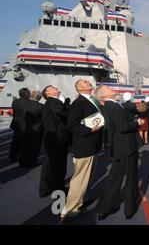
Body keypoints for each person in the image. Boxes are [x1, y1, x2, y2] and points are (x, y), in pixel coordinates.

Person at [95, 85, 144, 220]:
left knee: (114, 179)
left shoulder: (109, 106)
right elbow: (123, 127)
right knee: (131, 178)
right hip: (127, 147)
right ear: (104, 96)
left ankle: (106, 208)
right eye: (106, 88)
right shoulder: (114, 106)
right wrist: (137, 123)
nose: (110, 88)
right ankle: (130, 209)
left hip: (118, 147)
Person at [60, 79, 104, 220]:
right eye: (84, 82)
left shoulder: (91, 100)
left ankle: (82, 200)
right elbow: (72, 124)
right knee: (80, 179)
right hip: (84, 145)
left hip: (93, 145)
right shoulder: (79, 102)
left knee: (88, 177)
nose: (88, 82)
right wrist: (90, 129)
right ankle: (70, 209)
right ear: (79, 88)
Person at [39, 85, 71, 197]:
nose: (55, 87)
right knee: (59, 165)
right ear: (48, 93)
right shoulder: (54, 101)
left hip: (51, 138)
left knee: (49, 164)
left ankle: (45, 188)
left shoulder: (49, 103)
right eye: (52, 87)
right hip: (58, 139)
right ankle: (58, 189)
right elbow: (63, 115)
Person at [20, 90, 44, 167]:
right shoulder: (41, 106)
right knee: (34, 147)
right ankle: (31, 162)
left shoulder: (24, 104)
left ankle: (22, 162)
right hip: (36, 129)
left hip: (25, 128)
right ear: (39, 97)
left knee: (24, 145)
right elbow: (43, 118)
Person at [9, 88, 31, 164]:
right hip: (25, 124)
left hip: (16, 124)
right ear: (27, 94)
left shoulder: (15, 102)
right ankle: (22, 157)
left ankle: (12, 156)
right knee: (24, 142)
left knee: (15, 141)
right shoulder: (29, 103)